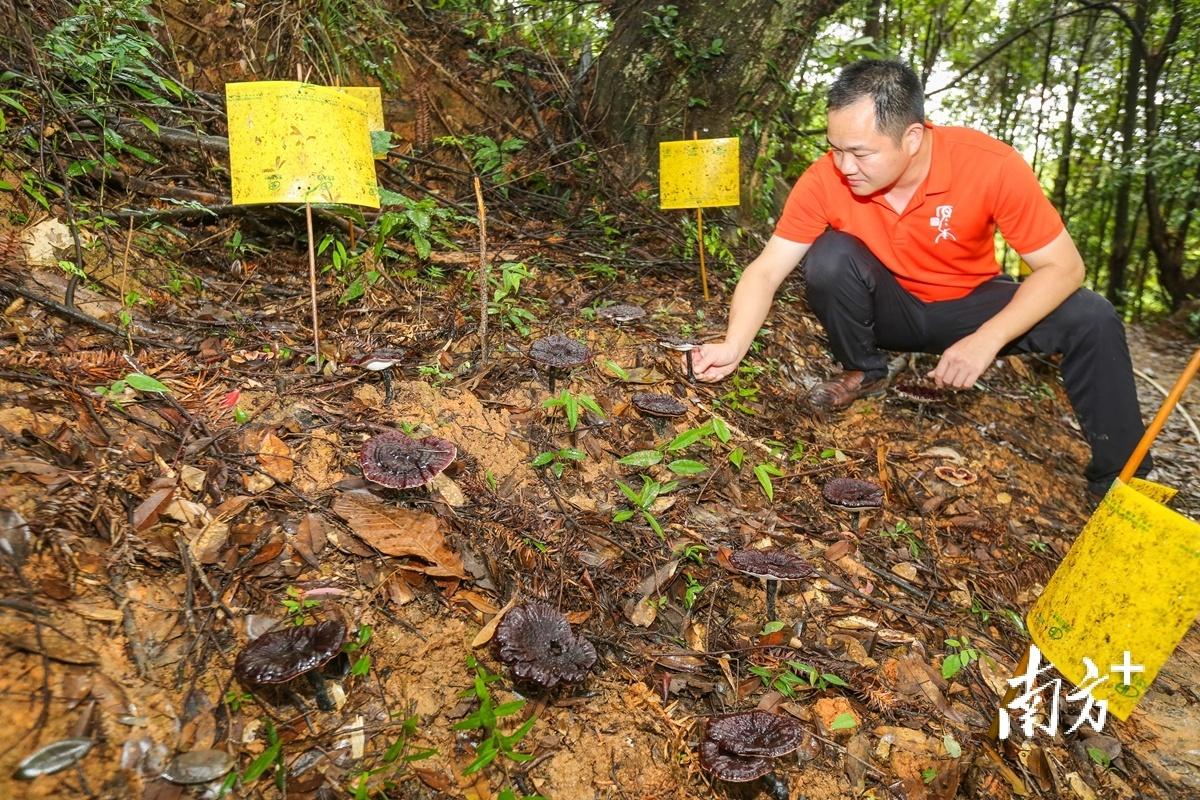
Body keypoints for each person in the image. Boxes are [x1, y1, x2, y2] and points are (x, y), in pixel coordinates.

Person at [690, 59, 1150, 500]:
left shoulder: (989, 165)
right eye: (835, 149)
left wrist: (987, 339)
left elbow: (1065, 267)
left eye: (860, 153)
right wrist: (734, 343)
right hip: (889, 306)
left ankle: (1121, 477)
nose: (844, 166)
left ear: (912, 137)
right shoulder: (826, 179)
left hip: (970, 305)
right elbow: (767, 269)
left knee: (1093, 315)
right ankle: (864, 370)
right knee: (829, 255)